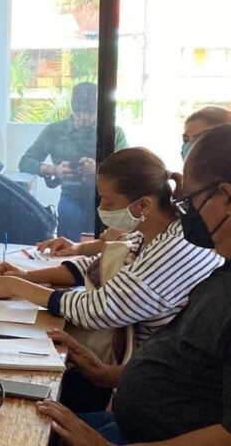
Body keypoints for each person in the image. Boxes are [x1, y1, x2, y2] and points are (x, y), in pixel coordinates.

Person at [0, 147, 223, 412]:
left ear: (143, 205)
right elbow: (96, 266)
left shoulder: (173, 250)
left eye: (108, 202)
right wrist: (28, 276)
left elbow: (100, 309)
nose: (102, 209)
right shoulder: (150, 231)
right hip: (130, 371)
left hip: (156, 398)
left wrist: (18, 288)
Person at [37, 123, 231, 445]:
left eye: (191, 201)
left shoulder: (183, 255)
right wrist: (103, 372)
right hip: (128, 425)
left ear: (225, 197)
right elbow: (183, 360)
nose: (185, 215)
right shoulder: (222, 274)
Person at [19, 82, 128, 241]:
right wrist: (54, 170)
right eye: (79, 113)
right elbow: (25, 162)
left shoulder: (113, 133)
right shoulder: (55, 130)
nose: (83, 117)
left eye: (89, 113)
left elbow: (126, 168)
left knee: (104, 246)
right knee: (66, 242)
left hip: (105, 198)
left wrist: (97, 169)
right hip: (71, 196)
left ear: (98, 110)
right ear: (72, 108)